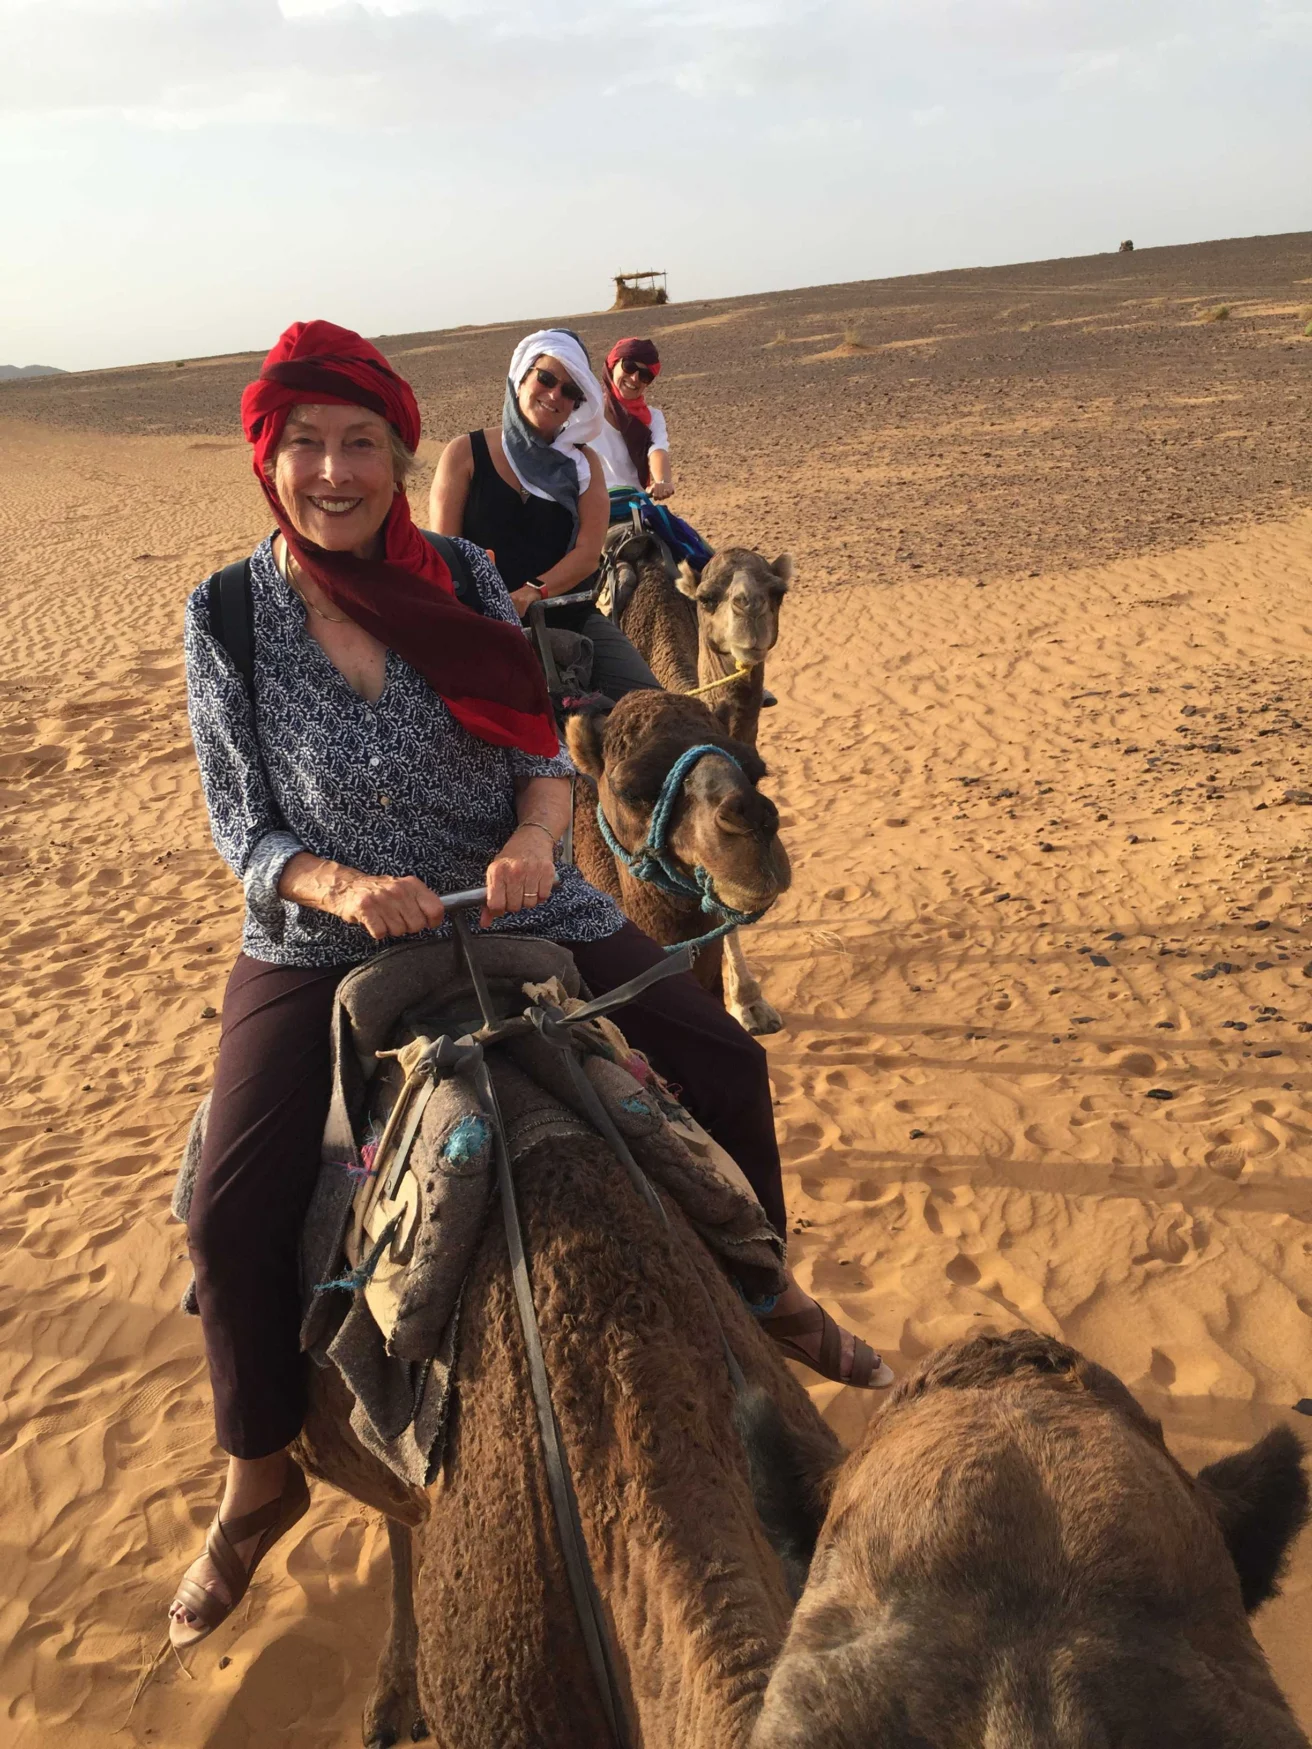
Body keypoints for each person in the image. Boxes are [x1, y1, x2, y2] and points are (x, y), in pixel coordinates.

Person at [169, 319, 890, 1651]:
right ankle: (258, 1470)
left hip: (511, 894)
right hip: (326, 938)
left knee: (722, 1054)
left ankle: (763, 1289)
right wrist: (336, 886)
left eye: (361, 446)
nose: (334, 473)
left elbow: (541, 760)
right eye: (305, 448)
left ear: (397, 454)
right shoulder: (227, 615)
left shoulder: (464, 581)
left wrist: (532, 841)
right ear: (268, 461)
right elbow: (243, 831)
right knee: (228, 1211)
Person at [429, 327, 659, 704]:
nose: (555, 395)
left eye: (570, 391)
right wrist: (485, 606)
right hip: (478, 624)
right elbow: (446, 554)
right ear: (522, 376)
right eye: (547, 378)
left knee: (654, 711)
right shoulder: (464, 454)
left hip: (569, 614)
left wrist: (532, 592)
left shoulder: (585, 465)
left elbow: (587, 553)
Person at [591, 336, 674, 499]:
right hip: (591, 506)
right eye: (629, 367)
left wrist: (662, 481)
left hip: (635, 503)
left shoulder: (652, 418)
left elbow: (658, 451)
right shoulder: (585, 408)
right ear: (612, 365)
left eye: (644, 375)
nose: (635, 378)